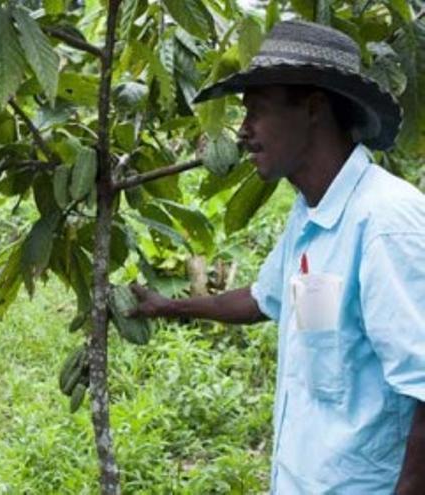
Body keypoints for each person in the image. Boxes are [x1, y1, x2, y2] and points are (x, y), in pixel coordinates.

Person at [129, 21, 425, 493]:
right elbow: (263, 299)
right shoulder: (310, 215)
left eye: (257, 112)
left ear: (312, 108)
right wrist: (166, 307)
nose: (243, 132)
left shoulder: (385, 223)